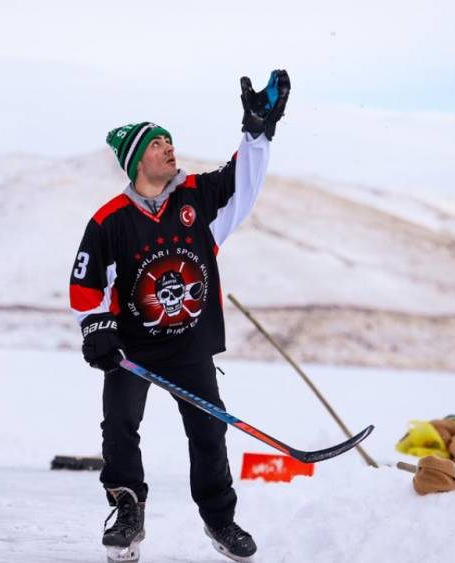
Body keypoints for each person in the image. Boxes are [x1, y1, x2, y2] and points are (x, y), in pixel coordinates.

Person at [69, 70, 290, 562]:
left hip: (190, 343)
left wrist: (257, 132)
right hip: (133, 348)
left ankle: (220, 519)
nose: (169, 148)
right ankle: (127, 511)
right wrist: (97, 328)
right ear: (136, 161)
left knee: (209, 431)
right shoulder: (109, 220)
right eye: (157, 144)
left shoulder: (195, 197)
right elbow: (87, 285)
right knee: (120, 426)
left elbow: (242, 185)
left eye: (170, 140)